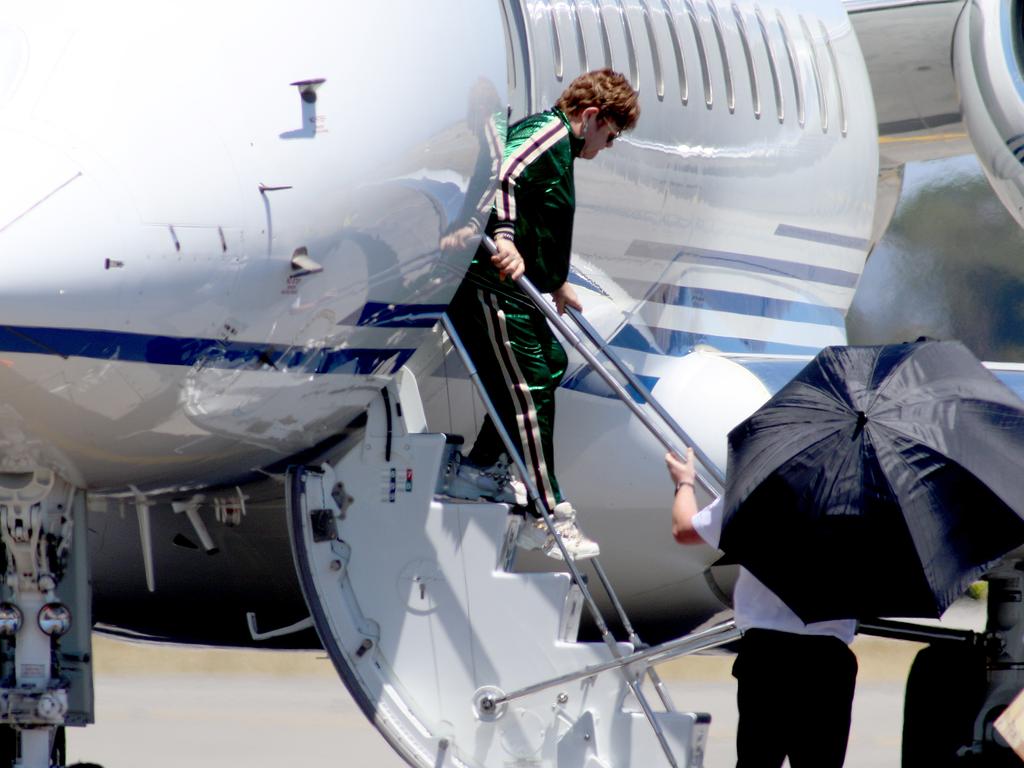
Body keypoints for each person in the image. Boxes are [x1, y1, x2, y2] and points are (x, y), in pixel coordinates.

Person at [447, 68, 639, 561]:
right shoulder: (547, 134)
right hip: (495, 286)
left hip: (520, 289)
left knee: (549, 364)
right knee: (530, 388)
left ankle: (486, 464)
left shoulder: (560, 148)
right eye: (610, 136)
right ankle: (546, 512)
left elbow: (542, 211)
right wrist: (505, 237)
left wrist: (555, 280)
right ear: (591, 116)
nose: (608, 146)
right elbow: (505, 176)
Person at [666, 447, 858, 768]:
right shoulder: (860, 500)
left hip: (768, 655)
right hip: (829, 660)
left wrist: (684, 483)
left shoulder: (760, 488)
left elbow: (684, 530)